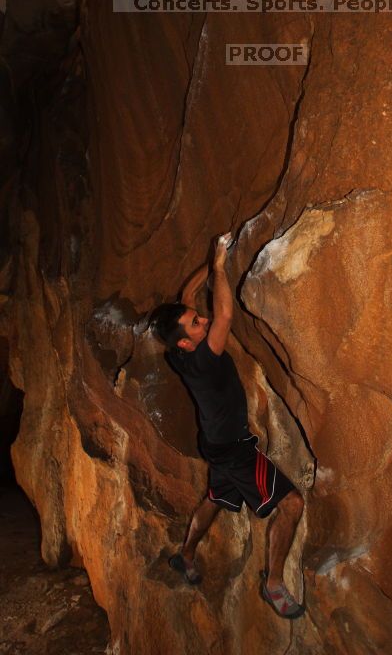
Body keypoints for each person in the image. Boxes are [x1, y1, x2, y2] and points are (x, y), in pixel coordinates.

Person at [150, 233, 305, 619]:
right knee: (292, 504)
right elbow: (225, 316)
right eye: (195, 324)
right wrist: (218, 267)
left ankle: (184, 556)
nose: (200, 320)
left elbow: (187, 294)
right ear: (186, 343)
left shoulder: (178, 353)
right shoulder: (202, 358)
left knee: (216, 499)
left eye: (196, 318)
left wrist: (214, 254)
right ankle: (273, 585)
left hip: (215, 444)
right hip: (234, 449)